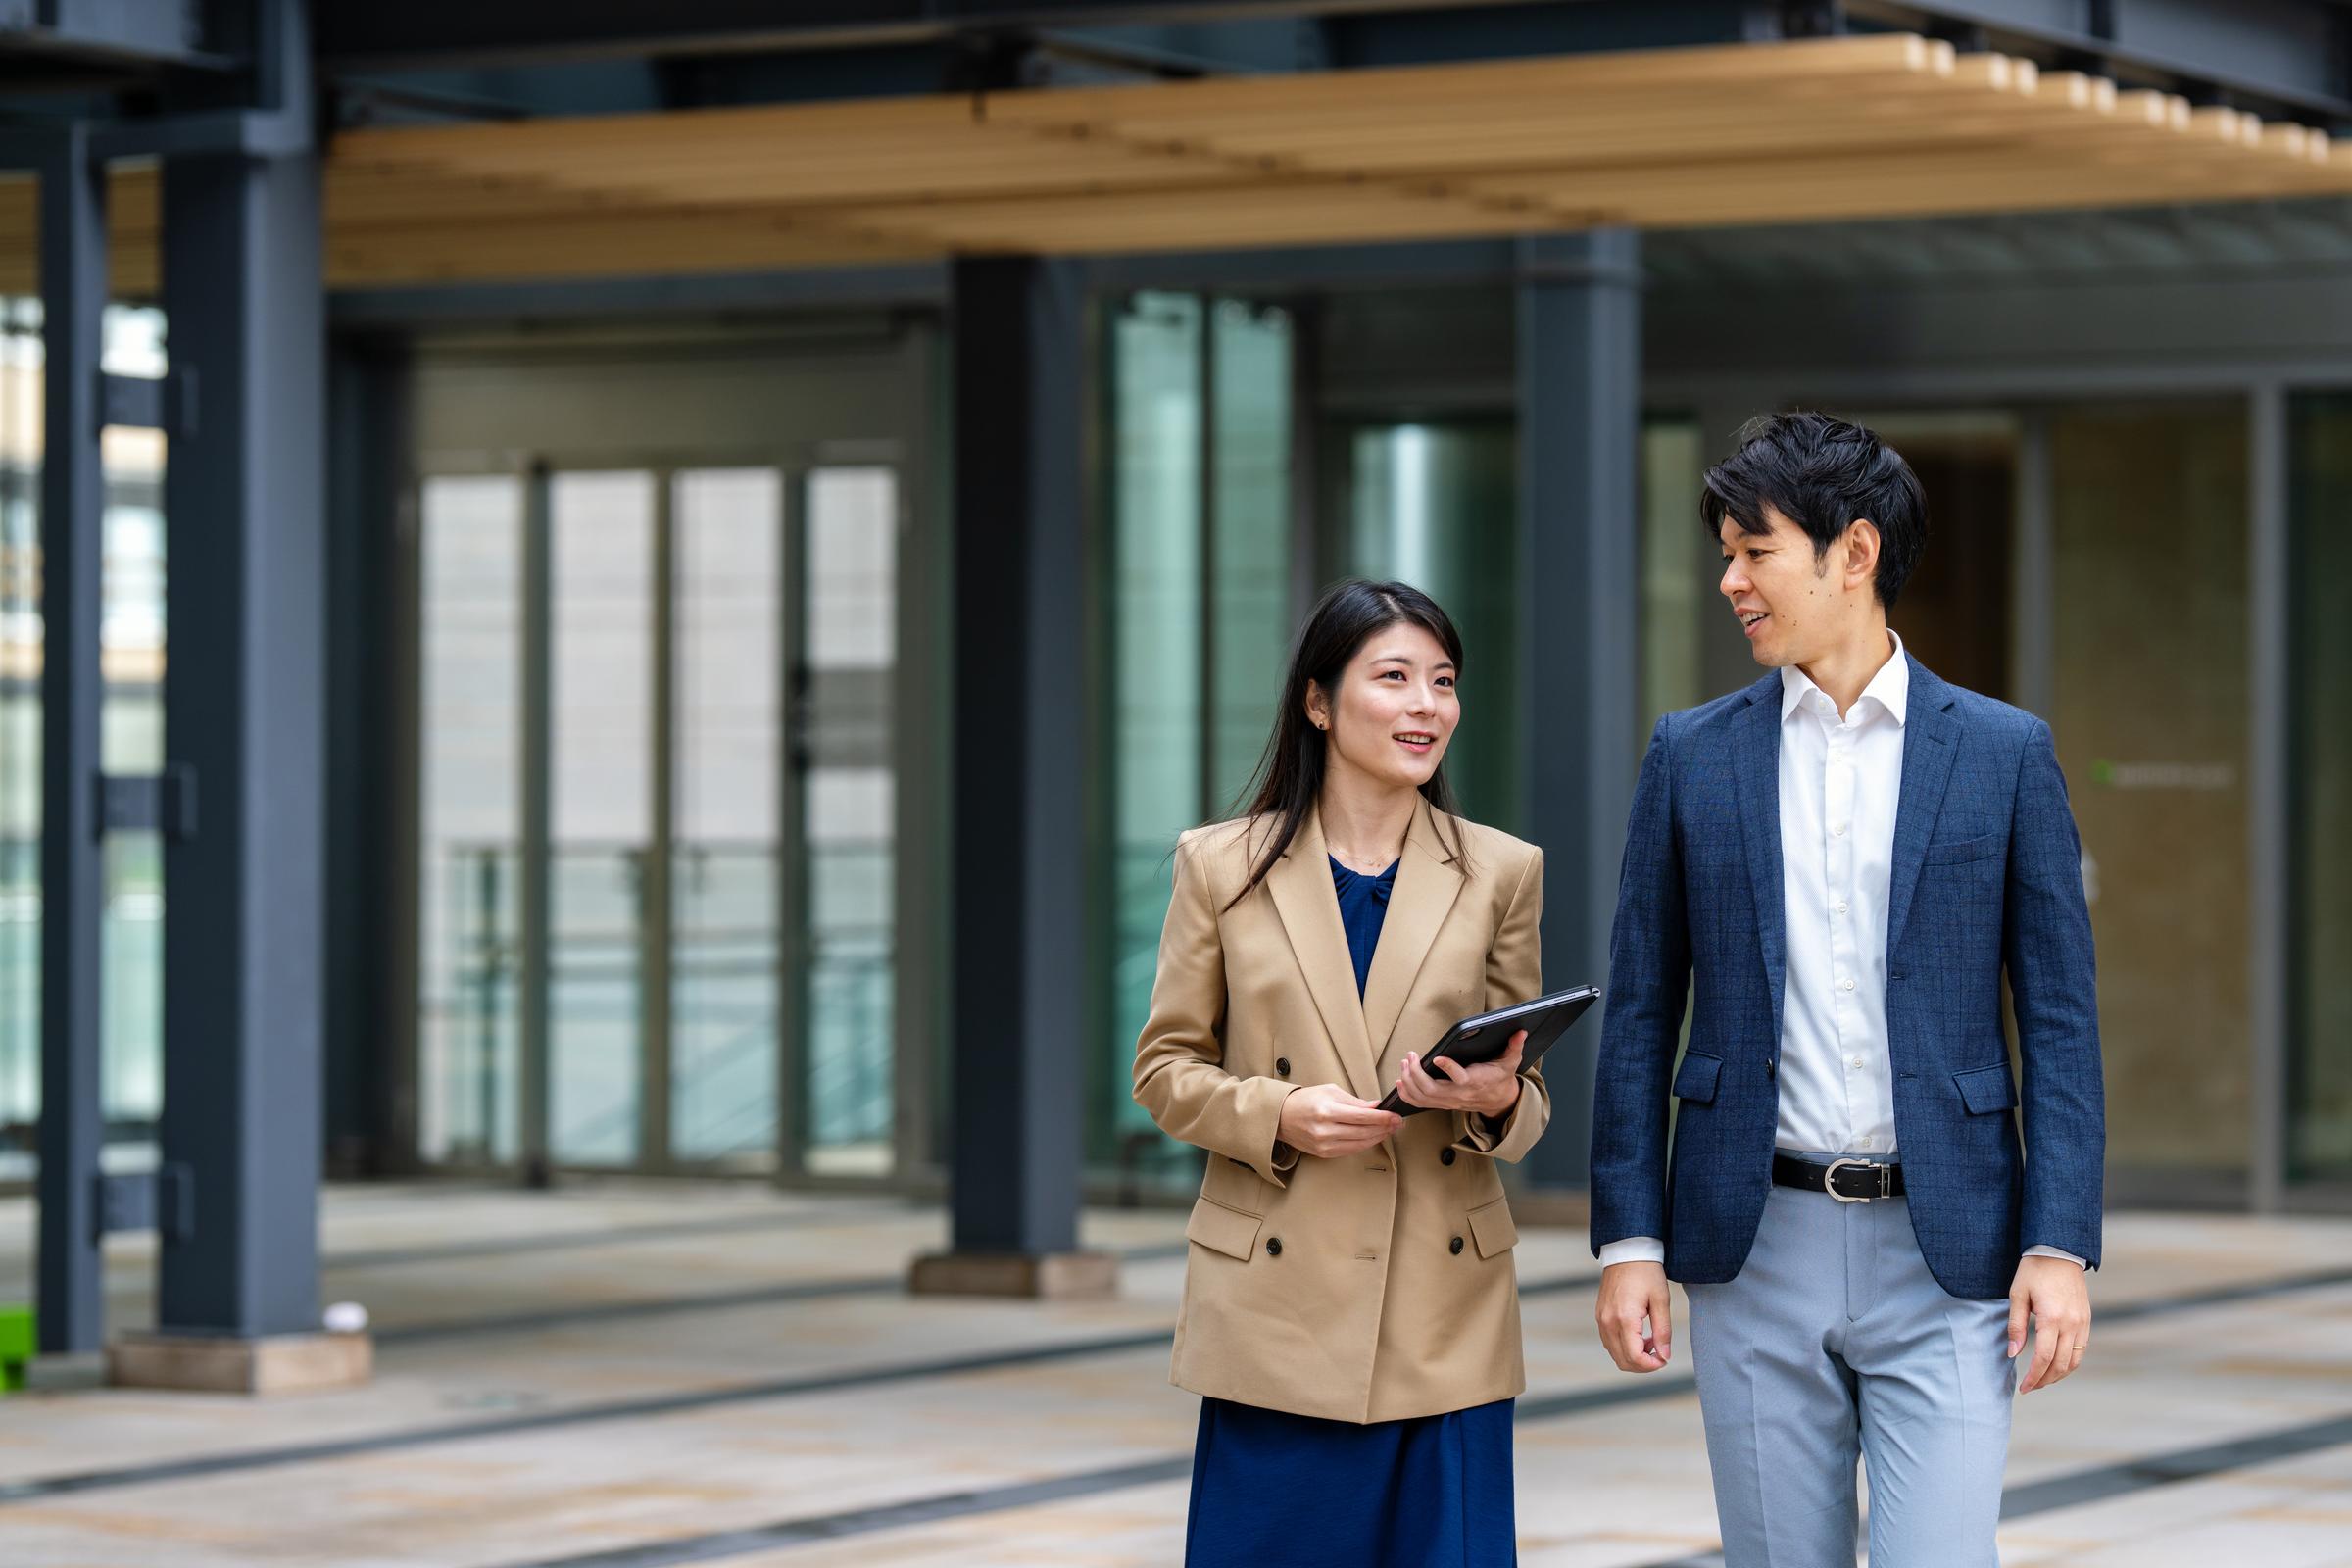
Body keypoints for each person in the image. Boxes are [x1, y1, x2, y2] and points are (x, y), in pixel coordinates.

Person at [1589, 412, 2104, 1566]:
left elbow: (2062, 1016)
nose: (1730, 581)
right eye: (1725, 554)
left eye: (1754, 550)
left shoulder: (2006, 752)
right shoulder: (1692, 753)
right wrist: (1628, 1236)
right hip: (1751, 1238)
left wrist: (2060, 1241)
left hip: (1952, 1250)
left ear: (1852, 553)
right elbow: (1638, 1007)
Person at [1133, 577, 1548, 1568]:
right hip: (1277, 1313)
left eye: (1443, 682)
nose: (1426, 706)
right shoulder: (1219, 865)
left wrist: (1494, 1102)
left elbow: (1527, 1097)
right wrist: (1280, 1111)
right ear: (1318, 701)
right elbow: (1162, 1069)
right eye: (1394, 677)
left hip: (1442, 1312)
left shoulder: (1501, 870)